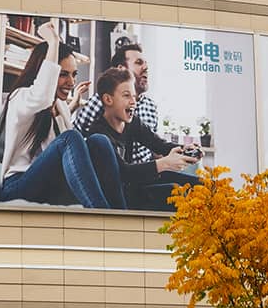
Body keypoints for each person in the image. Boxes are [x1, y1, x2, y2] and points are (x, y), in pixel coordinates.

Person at [0, 20, 122, 208]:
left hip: (50, 184)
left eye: (74, 74)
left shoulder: (60, 107)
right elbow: (43, 97)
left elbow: (55, 145)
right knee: (70, 138)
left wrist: (72, 107)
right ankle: (103, 215)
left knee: (99, 141)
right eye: (63, 74)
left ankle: (120, 213)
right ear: (45, 71)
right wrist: (53, 42)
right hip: (18, 186)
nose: (71, 81)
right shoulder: (21, 97)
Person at [83, 66, 199, 211]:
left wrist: (185, 150)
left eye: (134, 96)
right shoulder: (98, 135)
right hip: (120, 196)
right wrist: (163, 163)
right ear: (108, 99)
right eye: (126, 95)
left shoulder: (132, 123)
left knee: (200, 184)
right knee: (175, 191)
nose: (133, 101)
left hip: (134, 186)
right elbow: (123, 173)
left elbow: (158, 144)